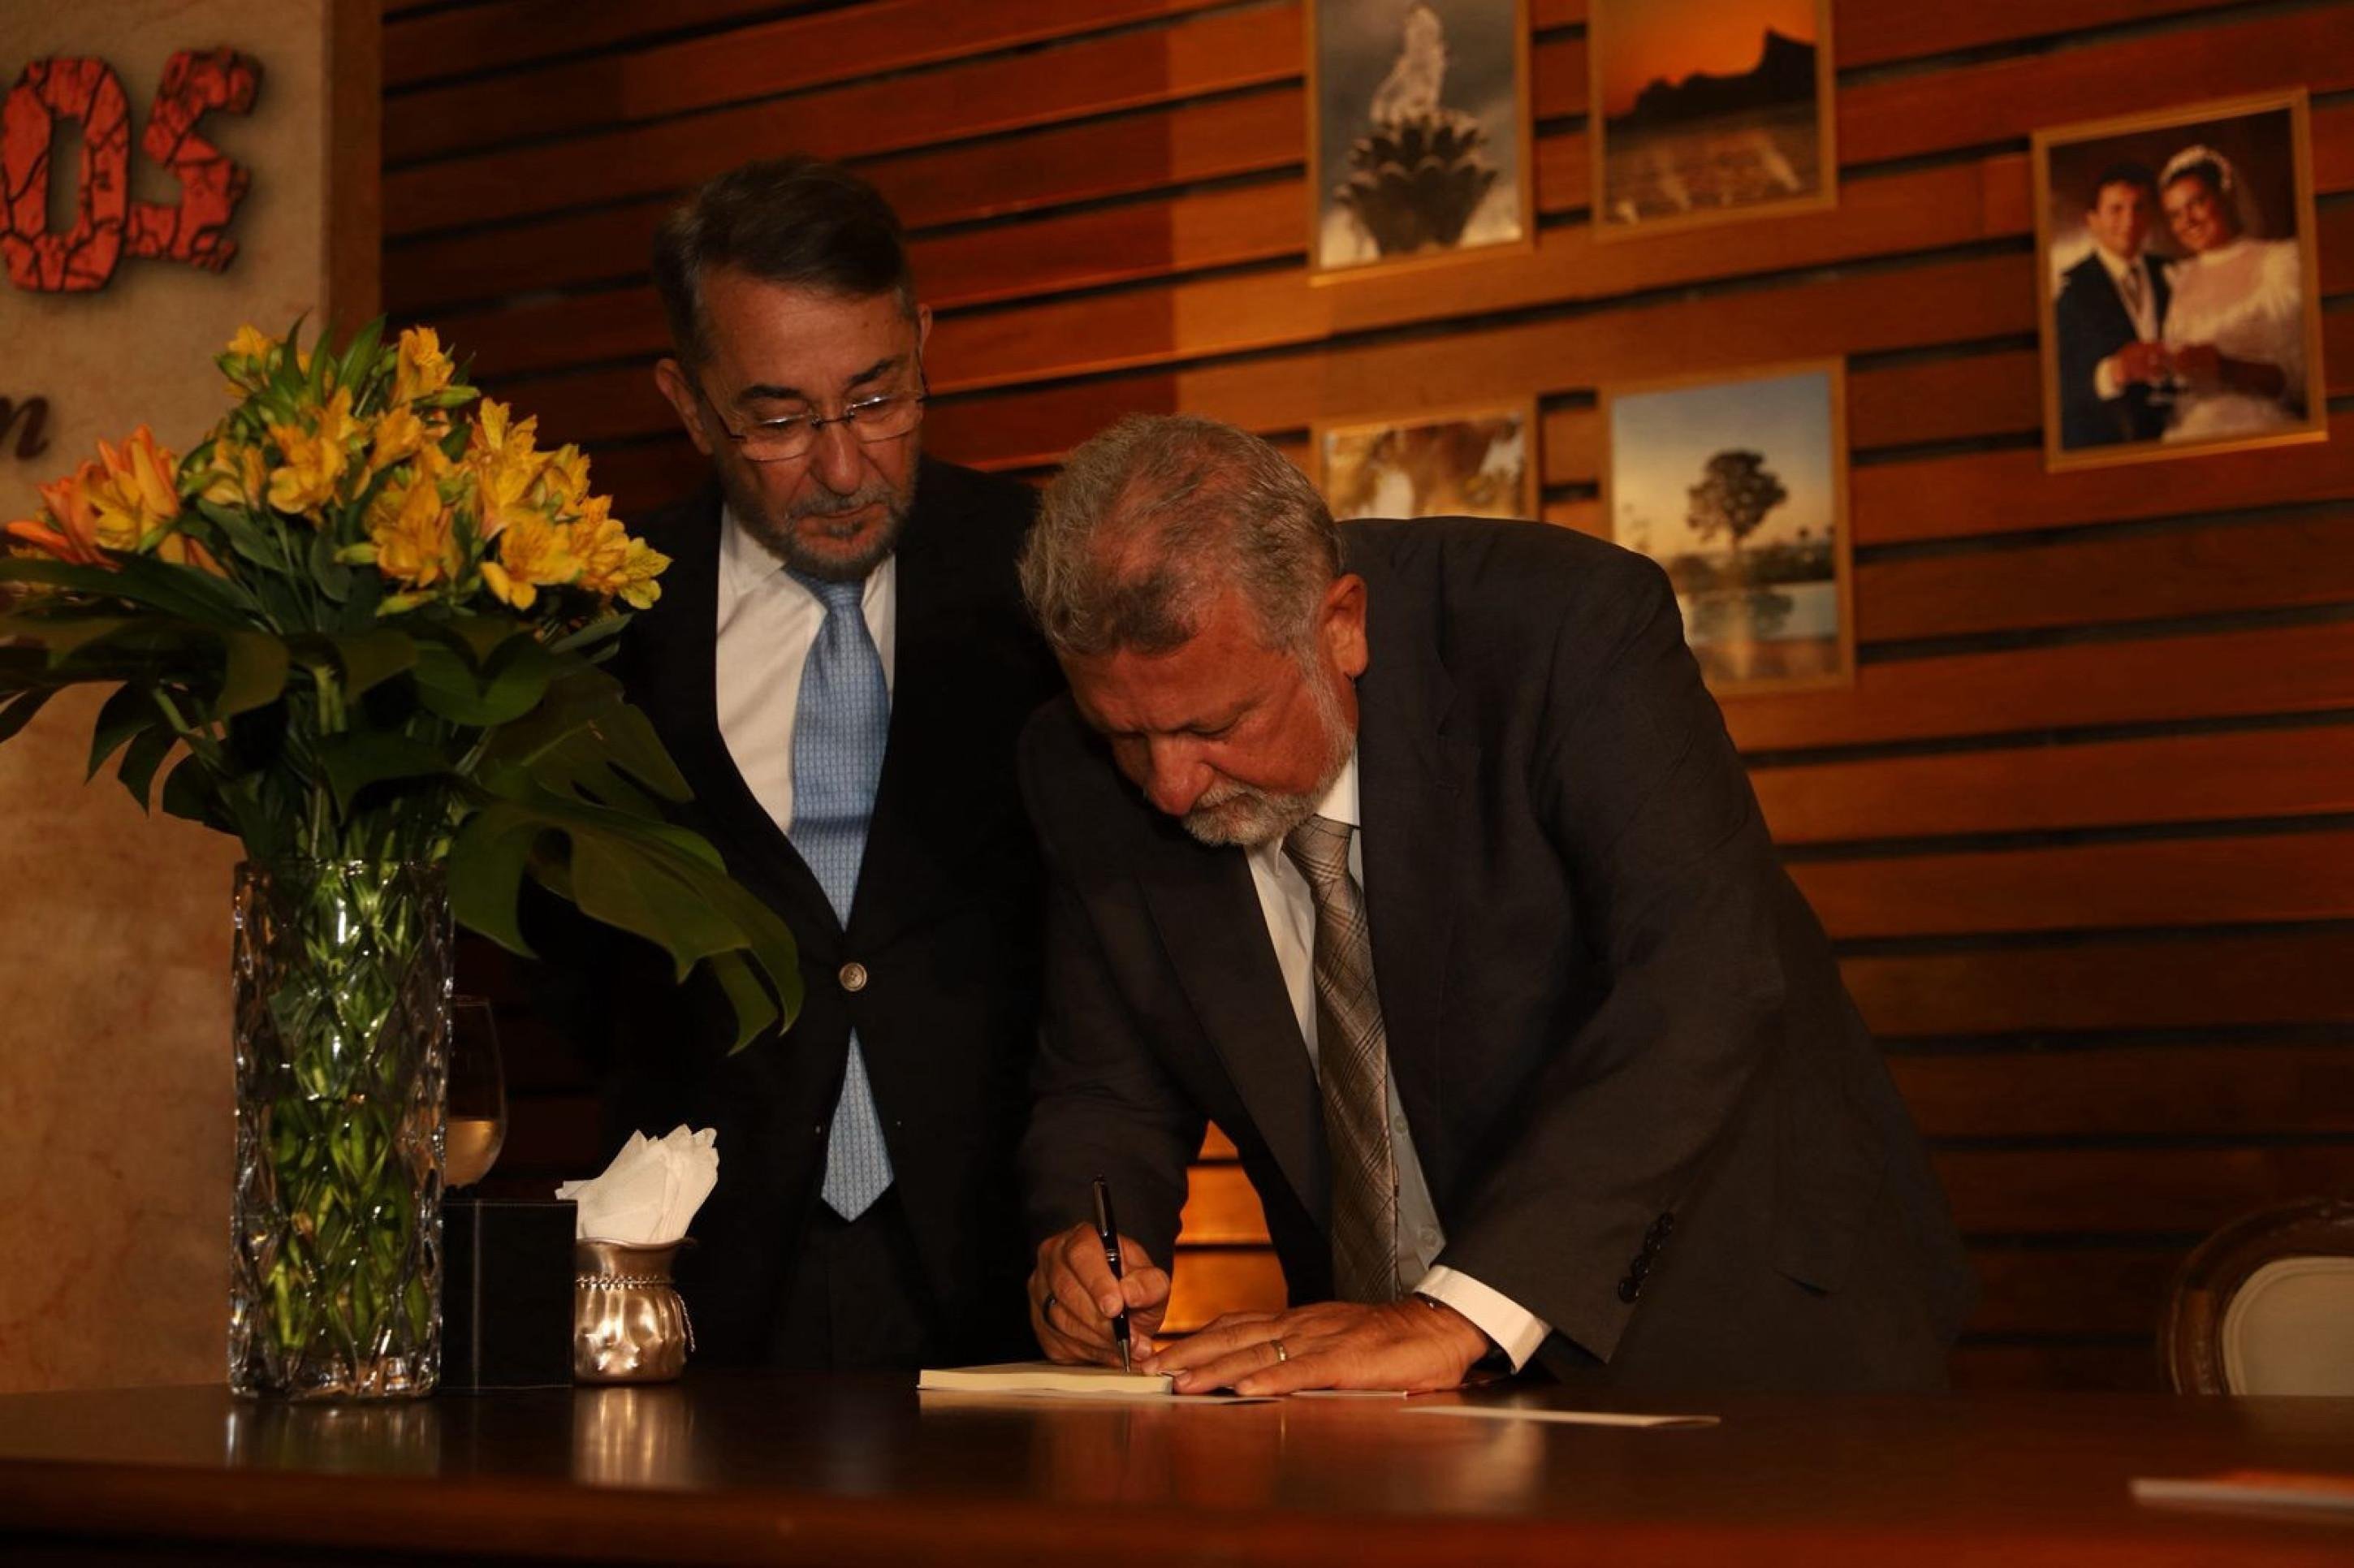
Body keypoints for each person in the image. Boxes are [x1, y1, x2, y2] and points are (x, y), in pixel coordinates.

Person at [1015, 414, 1975, 1395]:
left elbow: (1703, 982)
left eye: (1214, 724)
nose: (1169, 786)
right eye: (1127, 734)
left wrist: (1458, 1310)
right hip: (1387, 1391)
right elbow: (1107, 1081)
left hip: (1737, 1315)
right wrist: (1094, 1244)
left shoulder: (1565, 628)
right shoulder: (1077, 762)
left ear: (1339, 624)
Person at [559, 155, 1061, 1371]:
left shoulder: (1043, 576)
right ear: (688, 404)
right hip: (695, 1290)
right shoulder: (595, 619)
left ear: (924, 343)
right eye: (778, 419)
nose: (843, 467)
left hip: (1009, 1281)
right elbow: (568, 963)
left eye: (878, 397)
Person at [2155, 144, 2308, 442]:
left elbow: (2302, 381)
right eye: (2174, 215)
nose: (2188, 221)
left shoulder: (2280, 263)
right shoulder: (2179, 278)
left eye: (2197, 202)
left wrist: (2226, 368)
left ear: (2225, 196)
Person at [2053, 162, 2172, 450]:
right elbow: (2054, 382)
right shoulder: (2066, 288)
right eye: (2116, 209)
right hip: (2109, 438)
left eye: (2139, 207)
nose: (2130, 220)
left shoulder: (2174, 273)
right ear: (2092, 220)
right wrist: (2113, 372)